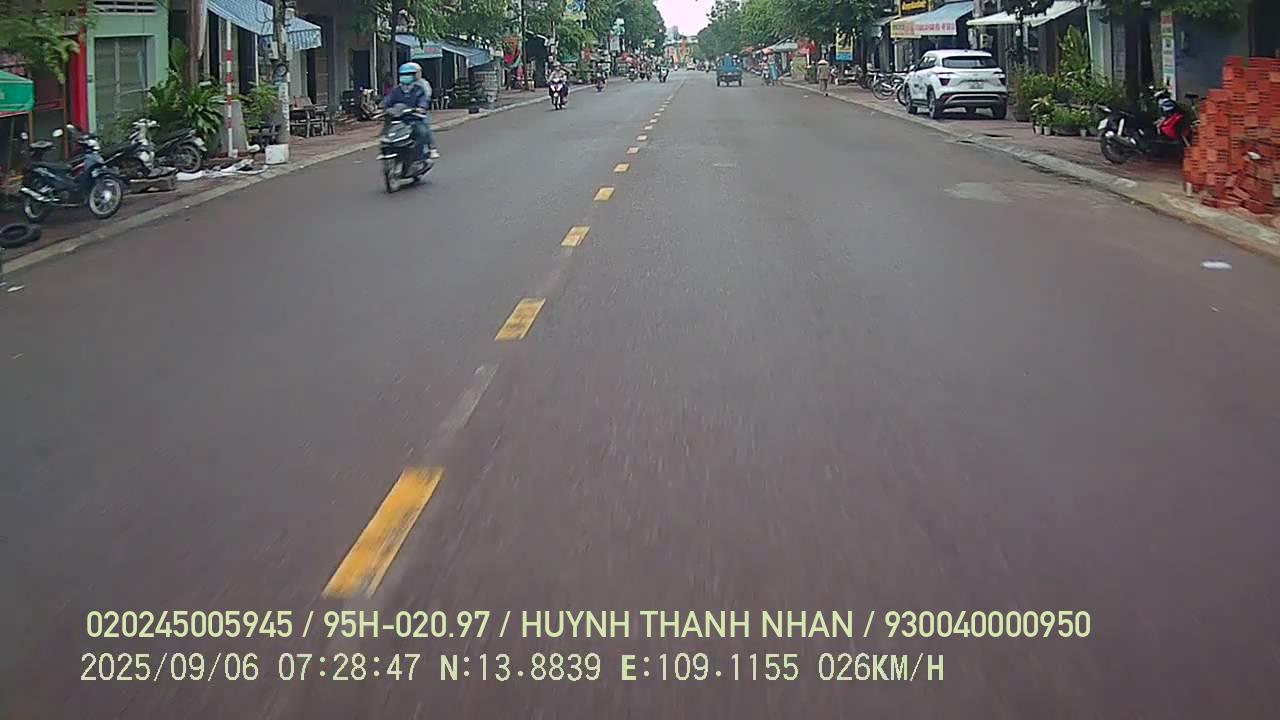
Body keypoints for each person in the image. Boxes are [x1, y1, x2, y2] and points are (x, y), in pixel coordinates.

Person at [383, 61, 439, 160]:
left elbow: (425, 98)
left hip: (415, 116)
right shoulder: (397, 89)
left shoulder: (420, 87)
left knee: (423, 130)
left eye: (409, 74)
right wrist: (384, 108)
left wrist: (420, 107)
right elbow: (389, 100)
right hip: (400, 116)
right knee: (388, 129)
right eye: (404, 74)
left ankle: (431, 148)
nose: (406, 76)